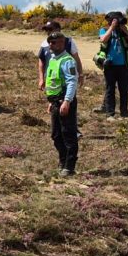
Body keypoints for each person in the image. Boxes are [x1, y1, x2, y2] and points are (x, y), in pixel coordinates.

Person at [44, 30, 79, 176]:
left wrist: (67, 101)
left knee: (68, 134)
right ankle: (62, 160)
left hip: (64, 101)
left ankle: (69, 166)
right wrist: (51, 102)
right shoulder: (53, 60)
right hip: (55, 102)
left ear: (62, 43)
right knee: (56, 135)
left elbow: (72, 82)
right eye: (49, 42)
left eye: (53, 42)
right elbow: (53, 82)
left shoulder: (67, 60)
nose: (50, 45)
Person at [98, 11, 128, 119]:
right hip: (110, 65)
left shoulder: (123, 31)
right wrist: (112, 27)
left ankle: (124, 112)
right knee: (110, 89)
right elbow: (103, 39)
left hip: (123, 65)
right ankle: (110, 113)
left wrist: (126, 32)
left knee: (123, 89)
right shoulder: (104, 30)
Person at [37, 20, 83, 91]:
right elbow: (41, 63)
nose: (48, 32)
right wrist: (41, 79)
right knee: (52, 97)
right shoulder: (44, 44)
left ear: (58, 29)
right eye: (46, 30)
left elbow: (76, 59)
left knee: (68, 97)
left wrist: (80, 74)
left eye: (50, 29)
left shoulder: (69, 42)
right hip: (51, 81)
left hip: (66, 81)